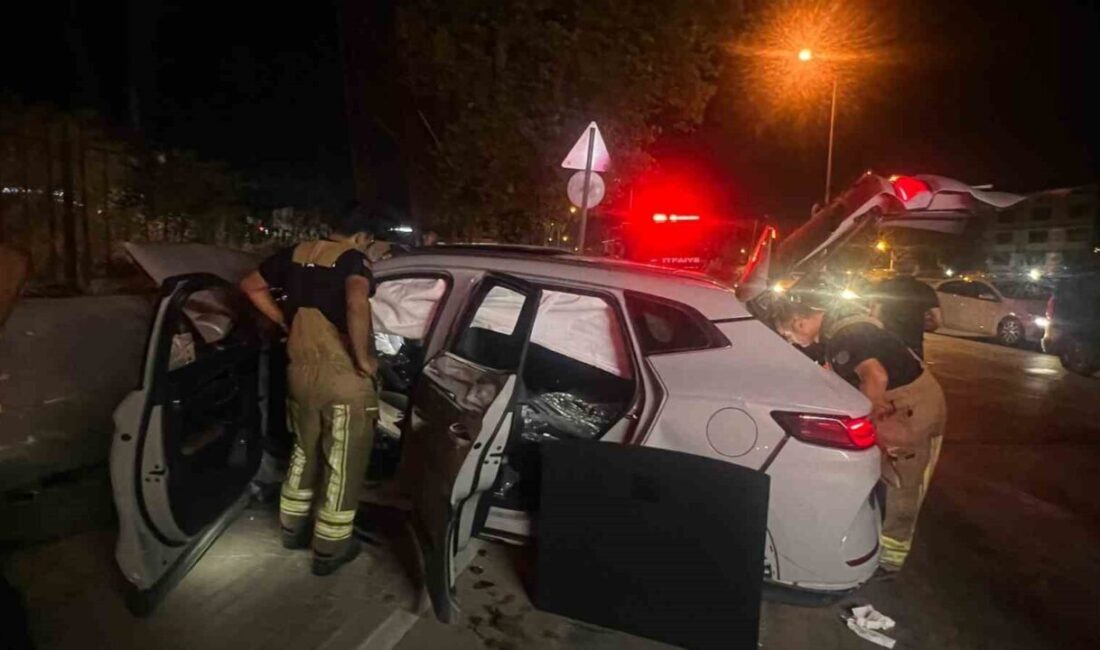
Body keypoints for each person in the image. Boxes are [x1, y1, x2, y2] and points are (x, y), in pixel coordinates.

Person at [240, 204, 380, 576]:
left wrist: (285, 321)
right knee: (343, 461)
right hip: (342, 377)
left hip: (299, 373)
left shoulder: (297, 254)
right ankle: (330, 549)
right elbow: (355, 301)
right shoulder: (353, 260)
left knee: (303, 451)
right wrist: (364, 359)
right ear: (363, 237)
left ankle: (291, 528)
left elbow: (250, 285)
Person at [772, 300, 947, 576]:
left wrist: (863, 418)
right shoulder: (838, 330)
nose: (790, 341)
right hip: (904, 404)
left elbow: (875, 377)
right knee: (882, 473)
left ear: (800, 322)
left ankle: (890, 558)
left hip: (910, 409)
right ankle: (878, 541)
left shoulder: (846, 336)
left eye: (788, 335)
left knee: (902, 480)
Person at [871, 258, 943, 359]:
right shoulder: (925, 289)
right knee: (911, 371)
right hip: (913, 340)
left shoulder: (884, 286)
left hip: (888, 339)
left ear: (896, 269)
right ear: (916, 270)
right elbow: (937, 320)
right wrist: (929, 327)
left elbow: (874, 315)